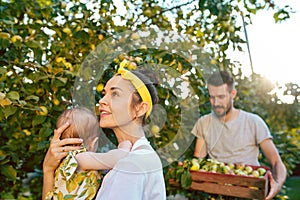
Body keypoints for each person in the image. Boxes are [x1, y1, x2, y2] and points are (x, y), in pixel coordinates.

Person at [42, 64, 166, 200]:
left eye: (115, 94)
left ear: (140, 109)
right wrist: (48, 170)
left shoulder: (131, 164)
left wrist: (48, 170)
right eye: (104, 94)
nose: (101, 101)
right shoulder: (136, 157)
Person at [192, 70, 287, 200]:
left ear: (233, 94)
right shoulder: (204, 123)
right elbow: (198, 161)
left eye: (221, 97)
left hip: (250, 192)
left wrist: (277, 184)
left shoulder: (253, 122)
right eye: (211, 97)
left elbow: (276, 162)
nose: (215, 103)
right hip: (217, 193)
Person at [43, 106, 132, 200]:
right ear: (93, 143)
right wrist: (124, 146)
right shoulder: (82, 158)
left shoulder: (62, 164)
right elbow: (115, 159)